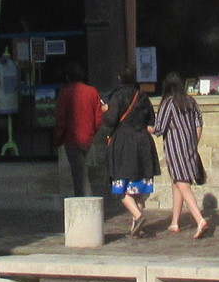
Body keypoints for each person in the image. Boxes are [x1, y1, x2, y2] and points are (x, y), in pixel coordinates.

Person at [99, 77, 161, 238]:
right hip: (143, 141)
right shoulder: (142, 95)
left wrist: (105, 110)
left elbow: (110, 120)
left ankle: (138, 216)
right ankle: (136, 227)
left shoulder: (117, 95)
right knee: (138, 189)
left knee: (120, 186)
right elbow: (151, 120)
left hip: (123, 142)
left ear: (119, 78)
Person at [153, 74, 211, 239]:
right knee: (177, 182)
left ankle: (199, 219)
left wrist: (144, 127)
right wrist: (194, 143)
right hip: (190, 147)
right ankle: (175, 222)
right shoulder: (191, 101)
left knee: (182, 183)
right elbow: (199, 124)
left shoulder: (168, 103)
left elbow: (159, 129)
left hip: (175, 148)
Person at [51, 65, 104, 199]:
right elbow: (98, 119)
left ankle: (85, 199)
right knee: (80, 171)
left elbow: (61, 119)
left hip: (71, 138)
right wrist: (91, 132)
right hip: (87, 138)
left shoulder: (64, 93)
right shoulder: (92, 92)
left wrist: (57, 139)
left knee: (79, 174)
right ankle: (83, 198)